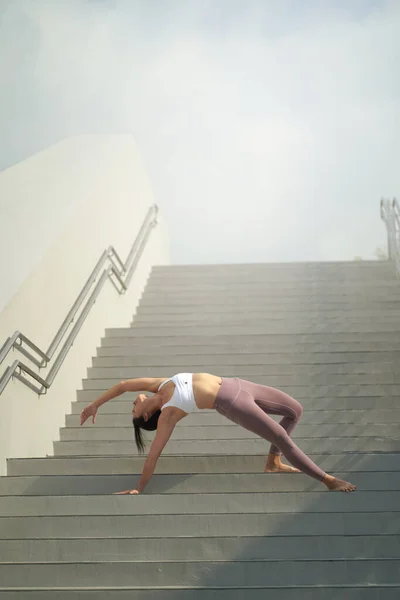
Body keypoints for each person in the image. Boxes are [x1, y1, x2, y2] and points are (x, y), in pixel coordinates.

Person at [80, 372, 356, 494]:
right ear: (146, 416)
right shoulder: (168, 415)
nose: (132, 405)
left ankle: (273, 462)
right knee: (281, 437)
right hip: (233, 403)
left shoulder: (159, 384)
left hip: (238, 384)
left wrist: (95, 404)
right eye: (133, 412)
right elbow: (153, 456)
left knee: (294, 410)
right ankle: (327, 479)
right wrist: (140, 487)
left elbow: (123, 385)